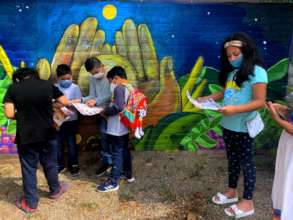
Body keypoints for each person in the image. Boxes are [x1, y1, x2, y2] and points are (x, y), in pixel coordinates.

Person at [197, 32, 268, 218]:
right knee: (233, 160)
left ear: (246, 51)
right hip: (228, 125)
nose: (232, 58)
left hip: (244, 127)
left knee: (247, 163)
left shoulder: (258, 72)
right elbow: (225, 92)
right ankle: (231, 191)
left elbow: (260, 101)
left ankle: (248, 202)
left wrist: (234, 110)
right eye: (229, 56)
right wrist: (206, 99)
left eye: (236, 54)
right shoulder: (232, 73)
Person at [3, 68, 70, 213]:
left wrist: (22, 115)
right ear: (35, 75)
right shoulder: (47, 84)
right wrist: (49, 107)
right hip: (48, 132)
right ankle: (55, 190)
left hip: (26, 135)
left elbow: (8, 113)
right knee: (51, 162)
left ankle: (31, 204)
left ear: (19, 78)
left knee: (29, 168)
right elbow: (65, 101)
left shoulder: (14, 88)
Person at [96, 66, 134, 193]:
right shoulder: (130, 87)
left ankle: (113, 182)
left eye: (110, 81)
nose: (111, 84)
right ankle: (128, 175)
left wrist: (104, 111)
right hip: (125, 125)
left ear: (116, 78)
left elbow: (117, 107)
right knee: (125, 151)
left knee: (117, 152)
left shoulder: (119, 87)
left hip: (116, 127)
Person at [82, 57, 112, 176]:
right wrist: (81, 100)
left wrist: (95, 101)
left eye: (96, 71)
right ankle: (107, 162)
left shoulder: (110, 76)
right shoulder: (92, 79)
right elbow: (92, 95)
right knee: (103, 135)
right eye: (92, 73)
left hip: (111, 110)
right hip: (100, 112)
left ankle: (116, 162)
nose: (94, 75)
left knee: (113, 136)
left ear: (101, 66)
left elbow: (110, 95)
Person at [267, 102, 293, 220]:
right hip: (288, 145)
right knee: (285, 182)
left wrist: (277, 118)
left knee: (289, 183)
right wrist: (286, 111)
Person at [55, 64, 82, 176]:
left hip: (72, 120)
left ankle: (73, 164)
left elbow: (79, 101)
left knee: (71, 143)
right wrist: (68, 103)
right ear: (57, 78)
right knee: (58, 143)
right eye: (63, 79)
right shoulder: (55, 87)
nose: (66, 81)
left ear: (71, 77)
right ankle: (60, 165)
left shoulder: (75, 88)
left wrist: (65, 103)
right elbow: (53, 103)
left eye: (68, 78)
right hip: (59, 121)